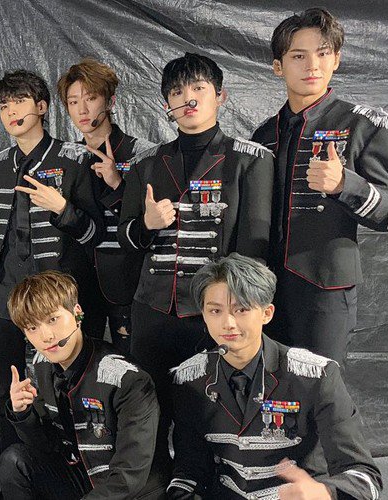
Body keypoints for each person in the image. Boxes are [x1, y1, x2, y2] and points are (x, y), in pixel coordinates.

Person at [116, 52, 274, 476]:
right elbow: (125, 241)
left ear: (220, 96)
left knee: (212, 407)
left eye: (198, 89)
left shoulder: (250, 159)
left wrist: (236, 313)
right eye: (177, 92)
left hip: (216, 313)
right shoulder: (147, 163)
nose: (188, 99)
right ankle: (153, 482)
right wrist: (147, 225)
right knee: (149, 410)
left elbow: (254, 251)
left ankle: (208, 482)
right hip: (153, 309)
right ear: (166, 103)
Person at [252, 7, 388, 365]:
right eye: (298, 56)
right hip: (264, 291)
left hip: (325, 292)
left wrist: (344, 184)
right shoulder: (263, 135)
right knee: (271, 387)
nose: (312, 66)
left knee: (318, 389)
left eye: (322, 54)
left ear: (336, 59)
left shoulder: (364, 125)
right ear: (278, 66)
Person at [168, 253, 381, 500]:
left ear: (267, 313)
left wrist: (325, 492)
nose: (228, 323)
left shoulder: (315, 376)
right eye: (215, 311)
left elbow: (364, 477)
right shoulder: (189, 379)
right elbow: (189, 472)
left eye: (241, 309)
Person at [0, 69, 105, 450]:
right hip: (2, 298)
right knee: (7, 387)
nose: (12, 112)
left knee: (65, 385)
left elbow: (96, 235)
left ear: (42, 106)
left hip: (56, 301)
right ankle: (13, 465)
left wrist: (63, 208)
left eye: (20, 102)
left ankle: (68, 464)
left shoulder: (74, 159)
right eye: (4, 106)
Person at [0, 271, 165, 499]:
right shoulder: (41, 365)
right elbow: (47, 448)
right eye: (32, 327)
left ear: (77, 313)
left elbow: (129, 475)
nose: (46, 336)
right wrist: (23, 413)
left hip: (128, 490)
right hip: (82, 476)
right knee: (14, 461)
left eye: (52, 319)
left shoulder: (126, 378)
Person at [57, 58, 156, 353]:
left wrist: (117, 184)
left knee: (133, 361)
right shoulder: (67, 158)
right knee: (82, 361)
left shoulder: (142, 154)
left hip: (128, 280)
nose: (82, 110)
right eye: (73, 102)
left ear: (110, 101)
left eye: (90, 98)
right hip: (78, 282)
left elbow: (150, 222)